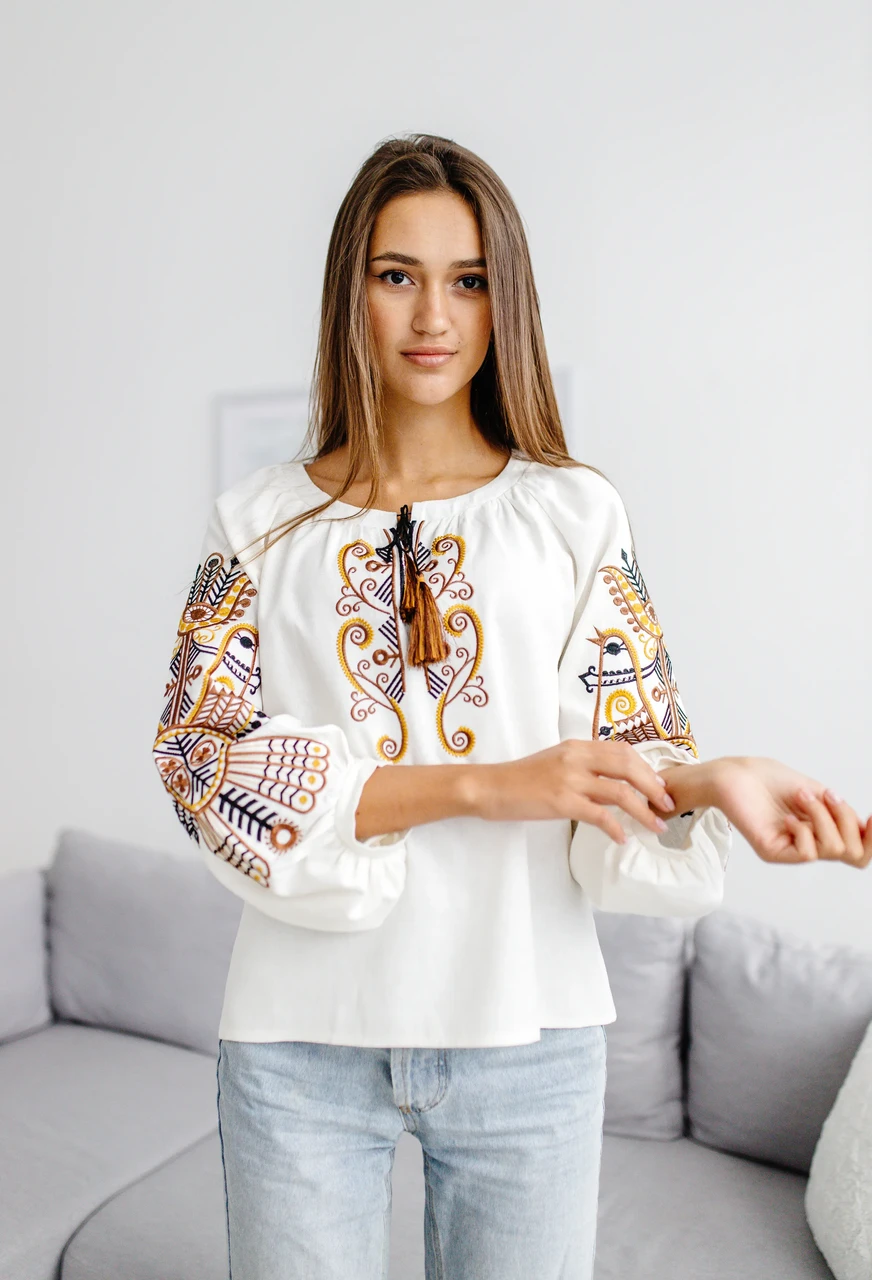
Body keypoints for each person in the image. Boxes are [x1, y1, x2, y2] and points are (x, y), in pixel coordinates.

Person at [151, 133, 871, 1280]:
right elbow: (200, 759)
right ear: (349, 290)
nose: (432, 315)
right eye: (397, 274)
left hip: (528, 1029)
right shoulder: (258, 522)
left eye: (469, 279)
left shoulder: (574, 513)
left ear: (506, 300)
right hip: (297, 1040)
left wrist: (707, 779)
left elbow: (622, 746)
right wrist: (484, 784)